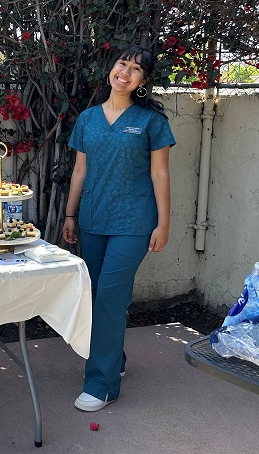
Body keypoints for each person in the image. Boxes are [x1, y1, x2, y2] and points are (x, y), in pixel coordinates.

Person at [62, 44, 175, 412]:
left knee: (110, 297)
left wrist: (163, 223)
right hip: (94, 219)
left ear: (143, 80)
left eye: (136, 69)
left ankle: (102, 384)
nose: (125, 72)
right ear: (112, 68)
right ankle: (116, 360)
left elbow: (160, 174)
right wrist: (69, 215)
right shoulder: (88, 118)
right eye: (122, 64)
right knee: (96, 298)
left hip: (134, 223)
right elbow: (80, 170)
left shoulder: (152, 122)